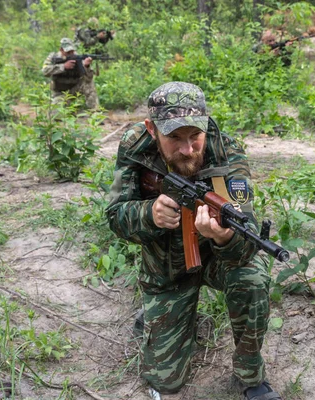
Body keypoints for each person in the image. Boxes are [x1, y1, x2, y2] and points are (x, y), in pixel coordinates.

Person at [106, 82, 282, 400]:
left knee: (252, 274)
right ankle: (159, 314)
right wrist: (149, 214)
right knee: (166, 381)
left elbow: (248, 239)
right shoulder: (136, 146)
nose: (187, 150)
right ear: (152, 128)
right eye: (174, 137)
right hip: (166, 268)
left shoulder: (226, 151)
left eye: (195, 136)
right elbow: (115, 217)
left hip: (217, 259)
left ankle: (250, 374)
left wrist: (225, 237)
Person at [41, 37, 99, 110]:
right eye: (68, 52)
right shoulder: (54, 57)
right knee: (56, 116)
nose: (71, 54)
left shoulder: (78, 58)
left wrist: (86, 66)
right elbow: (44, 71)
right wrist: (63, 66)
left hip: (75, 89)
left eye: (72, 51)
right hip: (60, 93)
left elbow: (88, 78)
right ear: (61, 50)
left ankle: (95, 111)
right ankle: (66, 106)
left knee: (89, 84)